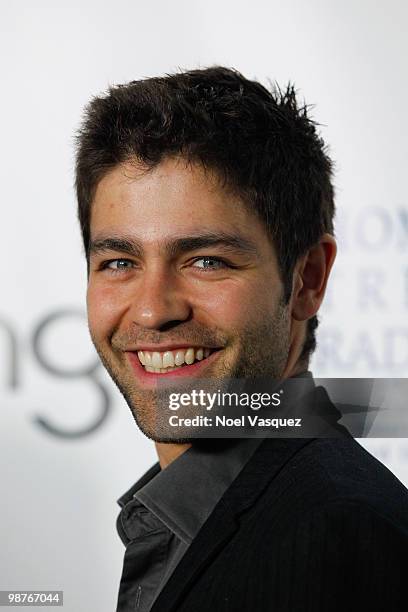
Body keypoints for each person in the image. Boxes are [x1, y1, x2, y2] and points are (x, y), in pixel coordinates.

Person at [75, 67, 407, 611]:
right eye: (119, 262)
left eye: (206, 261)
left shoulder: (341, 538)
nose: (154, 309)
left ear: (307, 280)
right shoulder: (186, 516)